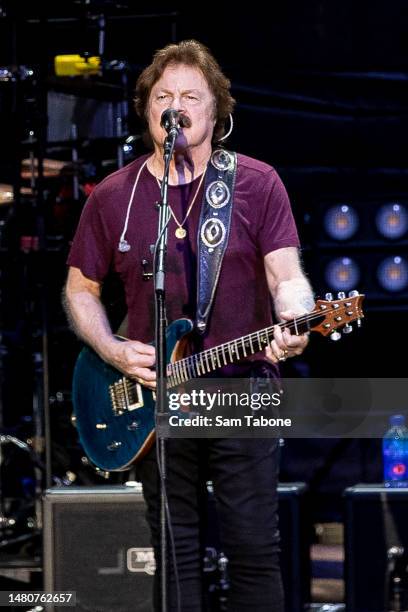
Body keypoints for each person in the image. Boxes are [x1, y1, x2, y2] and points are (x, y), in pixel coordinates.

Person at [64, 39, 314, 612]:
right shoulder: (115, 196)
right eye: (163, 96)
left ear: (215, 110)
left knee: (253, 549)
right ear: (147, 109)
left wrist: (296, 316)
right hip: (155, 399)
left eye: (190, 97)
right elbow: (80, 289)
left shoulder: (255, 183)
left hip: (240, 385)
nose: (175, 107)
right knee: (173, 553)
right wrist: (111, 347)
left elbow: (287, 277)